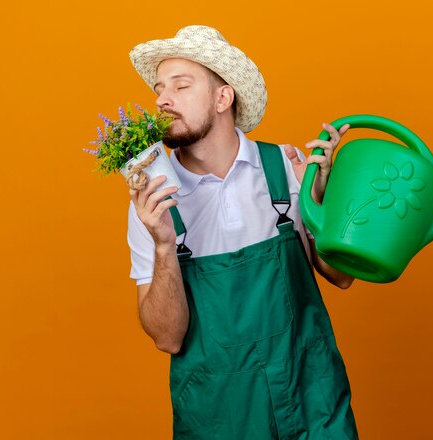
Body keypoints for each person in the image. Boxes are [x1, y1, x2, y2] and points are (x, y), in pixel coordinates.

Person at [127, 25, 358, 439]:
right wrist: (164, 244)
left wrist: (319, 202)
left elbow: (341, 276)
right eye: (160, 89)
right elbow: (167, 338)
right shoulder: (153, 202)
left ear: (222, 97)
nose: (162, 99)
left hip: (310, 398)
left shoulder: (285, 169)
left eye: (181, 86)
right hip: (219, 416)